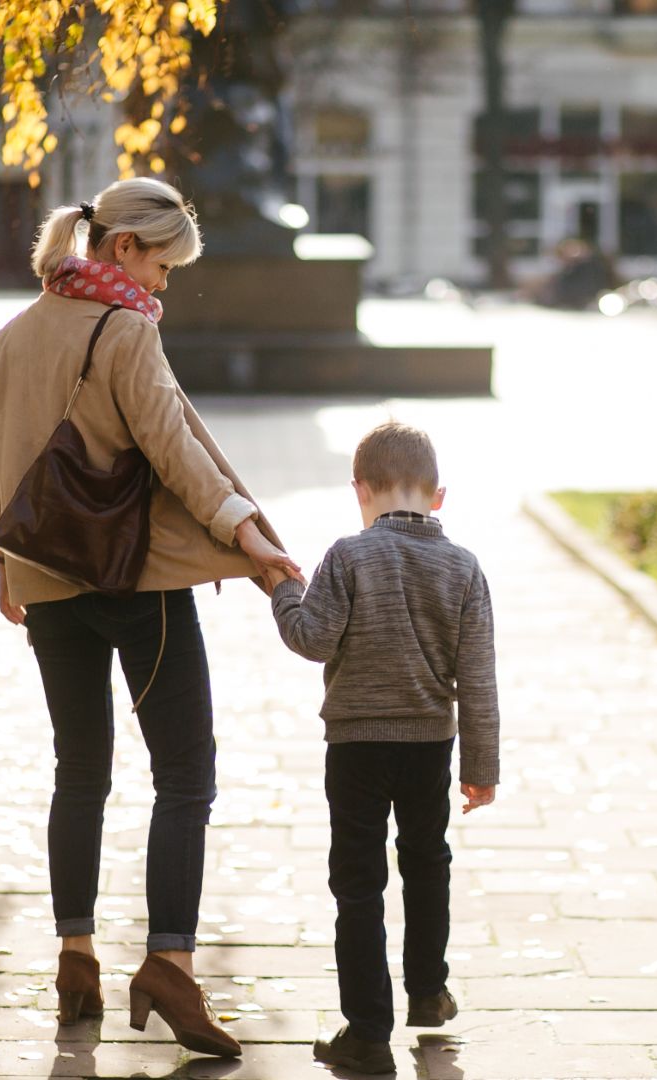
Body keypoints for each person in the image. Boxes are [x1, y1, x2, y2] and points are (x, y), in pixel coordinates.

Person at [0, 176, 301, 1057]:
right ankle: (169, 965)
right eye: (163, 266)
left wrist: (5, 562)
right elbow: (176, 449)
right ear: (123, 249)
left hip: (46, 578)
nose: (164, 286)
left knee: (79, 771)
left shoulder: (12, 336)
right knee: (186, 777)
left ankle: (75, 958)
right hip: (138, 584)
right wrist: (251, 539)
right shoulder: (125, 333)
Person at [264, 421, 500, 1074]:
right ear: (439, 496)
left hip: (357, 748)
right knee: (428, 862)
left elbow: (311, 637)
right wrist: (481, 769)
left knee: (359, 884)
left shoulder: (347, 556)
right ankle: (427, 990)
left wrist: (284, 589)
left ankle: (368, 1031)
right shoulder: (464, 568)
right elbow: (477, 678)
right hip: (431, 745)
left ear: (359, 490)